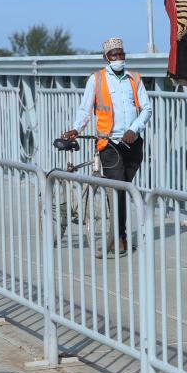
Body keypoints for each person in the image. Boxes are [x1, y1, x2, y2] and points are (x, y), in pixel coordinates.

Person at [62, 37, 152, 257]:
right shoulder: (97, 79)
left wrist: (134, 129)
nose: (118, 58)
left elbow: (146, 108)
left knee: (124, 188)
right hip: (109, 142)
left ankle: (118, 235)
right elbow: (85, 109)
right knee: (118, 187)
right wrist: (76, 129)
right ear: (106, 58)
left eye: (121, 54)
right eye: (114, 55)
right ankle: (119, 238)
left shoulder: (134, 78)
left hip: (132, 142)